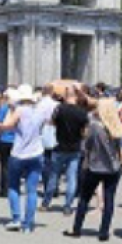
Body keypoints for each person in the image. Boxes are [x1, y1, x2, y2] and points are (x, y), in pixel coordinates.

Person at [64, 98, 122, 241]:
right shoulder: (117, 126)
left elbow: (86, 146)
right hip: (113, 166)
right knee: (109, 199)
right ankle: (104, 231)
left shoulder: (94, 126)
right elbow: (120, 147)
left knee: (85, 198)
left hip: (95, 166)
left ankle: (76, 228)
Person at [0, 85, 48, 233]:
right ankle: (29, 224)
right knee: (31, 190)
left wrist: (3, 120)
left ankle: (16, 218)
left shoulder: (19, 110)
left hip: (19, 152)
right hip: (36, 152)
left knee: (13, 186)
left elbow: (7, 126)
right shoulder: (40, 111)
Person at [42, 87, 89, 215]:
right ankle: (68, 206)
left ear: (66, 95)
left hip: (60, 146)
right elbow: (85, 132)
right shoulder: (82, 112)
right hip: (75, 148)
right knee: (71, 178)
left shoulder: (59, 109)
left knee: (54, 176)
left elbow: (52, 122)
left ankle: (46, 202)